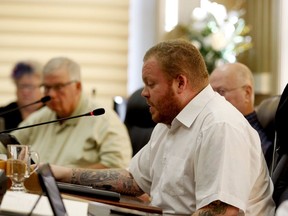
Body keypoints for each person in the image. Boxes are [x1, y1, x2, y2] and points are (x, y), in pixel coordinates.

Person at [50, 40, 275, 215]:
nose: (143, 93)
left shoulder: (220, 125)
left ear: (180, 83)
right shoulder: (169, 122)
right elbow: (134, 181)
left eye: (151, 84)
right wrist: (61, 173)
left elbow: (221, 210)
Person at [2, 57, 132, 169]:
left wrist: (69, 176)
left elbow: (118, 168)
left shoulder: (103, 119)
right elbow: (5, 148)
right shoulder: (41, 117)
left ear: (78, 87)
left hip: (78, 196)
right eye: (46, 87)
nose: (51, 94)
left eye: (58, 87)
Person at [209, 63, 273, 165]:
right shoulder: (217, 128)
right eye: (211, 93)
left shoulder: (257, 145)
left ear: (247, 93)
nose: (213, 99)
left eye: (221, 91)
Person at [0, 60, 44, 130]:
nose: (25, 91)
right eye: (22, 86)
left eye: (30, 86)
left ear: (42, 87)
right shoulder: (4, 113)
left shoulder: (52, 113)